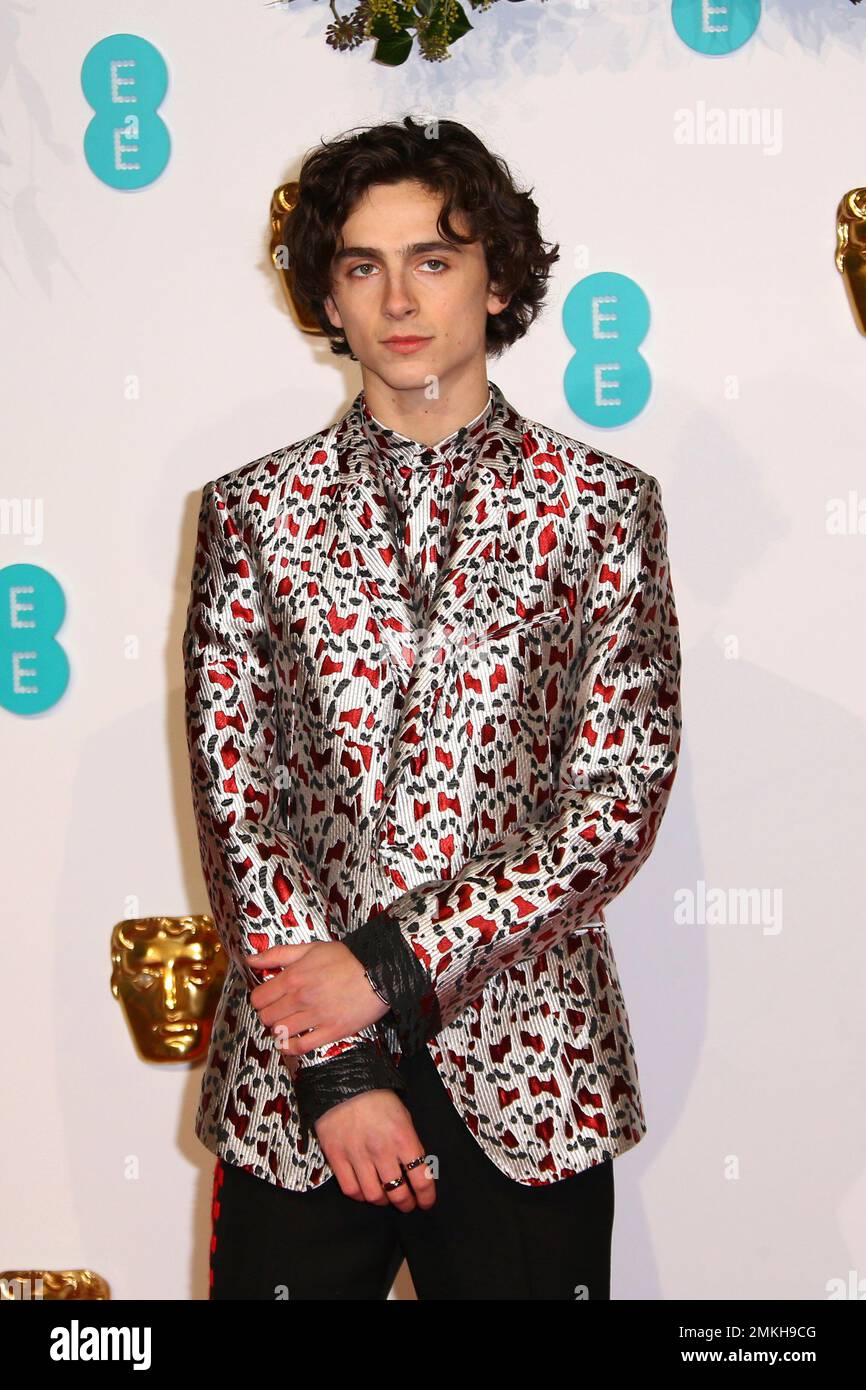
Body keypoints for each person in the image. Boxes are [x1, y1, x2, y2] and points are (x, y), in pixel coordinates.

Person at [182, 115, 682, 1300]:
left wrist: (392, 966)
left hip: (531, 1069)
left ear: (495, 278)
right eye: (362, 265)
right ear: (328, 298)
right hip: (296, 1090)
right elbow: (236, 802)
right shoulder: (253, 511)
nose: (399, 298)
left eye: (435, 258)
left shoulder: (601, 508)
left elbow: (611, 804)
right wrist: (341, 1065)